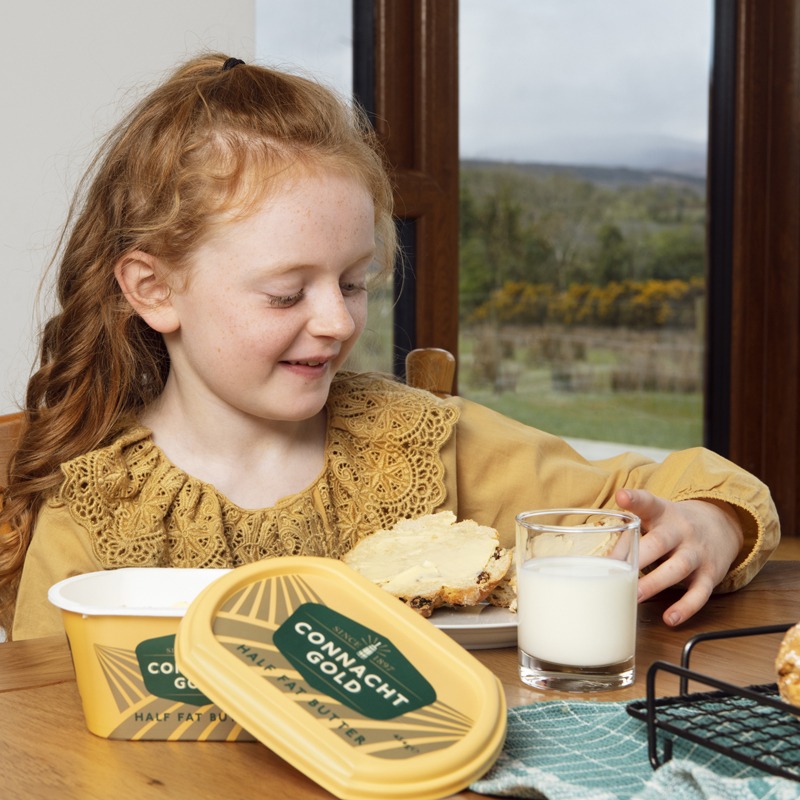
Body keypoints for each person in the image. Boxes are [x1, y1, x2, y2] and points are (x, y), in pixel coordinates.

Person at [0, 54, 779, 642]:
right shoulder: (97, 510)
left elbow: (659, 489)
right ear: (154, 289)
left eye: (353, 282)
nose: (338, 322)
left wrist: (708, 524)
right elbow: (43, 725)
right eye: (287, 293)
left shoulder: (416, 442)